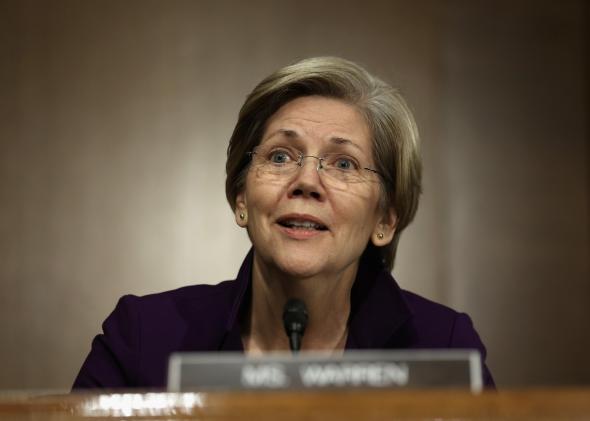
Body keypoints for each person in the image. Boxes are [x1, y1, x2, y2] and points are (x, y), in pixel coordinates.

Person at [73, 57, 494, 388]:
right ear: (241, 196)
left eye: (343, 163)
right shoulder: (144, 338)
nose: (306, 181)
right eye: (280, 157)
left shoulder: (441, 345)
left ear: (384, 218)